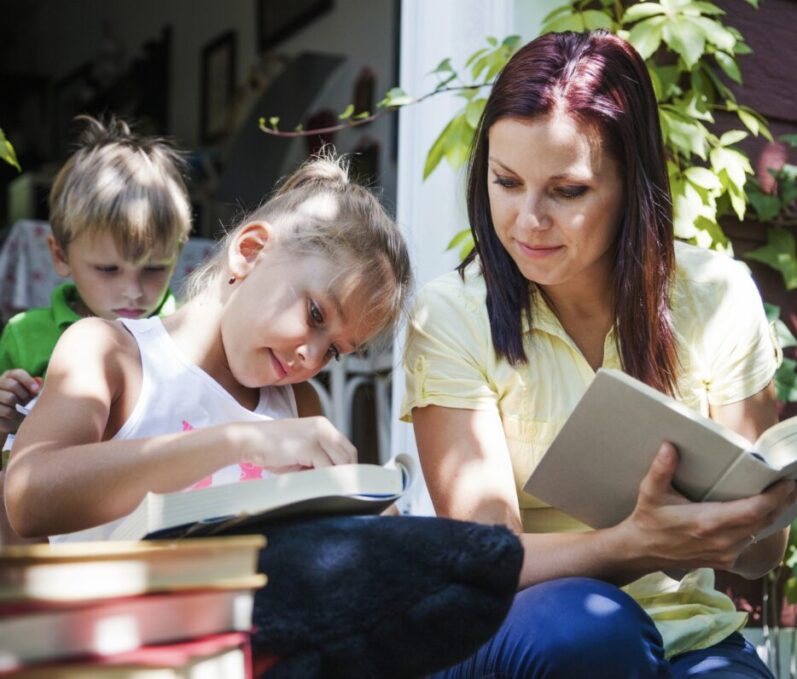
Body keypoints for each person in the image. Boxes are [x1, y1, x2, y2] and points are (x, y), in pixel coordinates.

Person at [4, 155, 524, 677]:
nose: (312, 359)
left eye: (336, 352)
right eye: (315, 315)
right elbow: (29, 498)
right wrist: (238, 443)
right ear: (249, 253)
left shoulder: (299, 405)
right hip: (108, 643)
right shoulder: (110, 353)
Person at [402, 30, 797, 678]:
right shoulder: (452, 314)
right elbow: (488, 561)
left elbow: (763, 553)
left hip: (688, 638)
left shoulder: (718, 297)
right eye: (506, 182)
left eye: (567, 191)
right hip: (523, 632)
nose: (528, 219)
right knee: (594, 632)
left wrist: (752, 517)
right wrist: (634, 544)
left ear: (632, 185)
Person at [0, 115, 188, 545]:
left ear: (179, 252)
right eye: (108, 269)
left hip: (157, 529)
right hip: (48, 537)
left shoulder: (183, 335)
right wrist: (8, 420)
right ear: (60, 254)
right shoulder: (25, 335)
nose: (133, 291)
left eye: (155, 269)